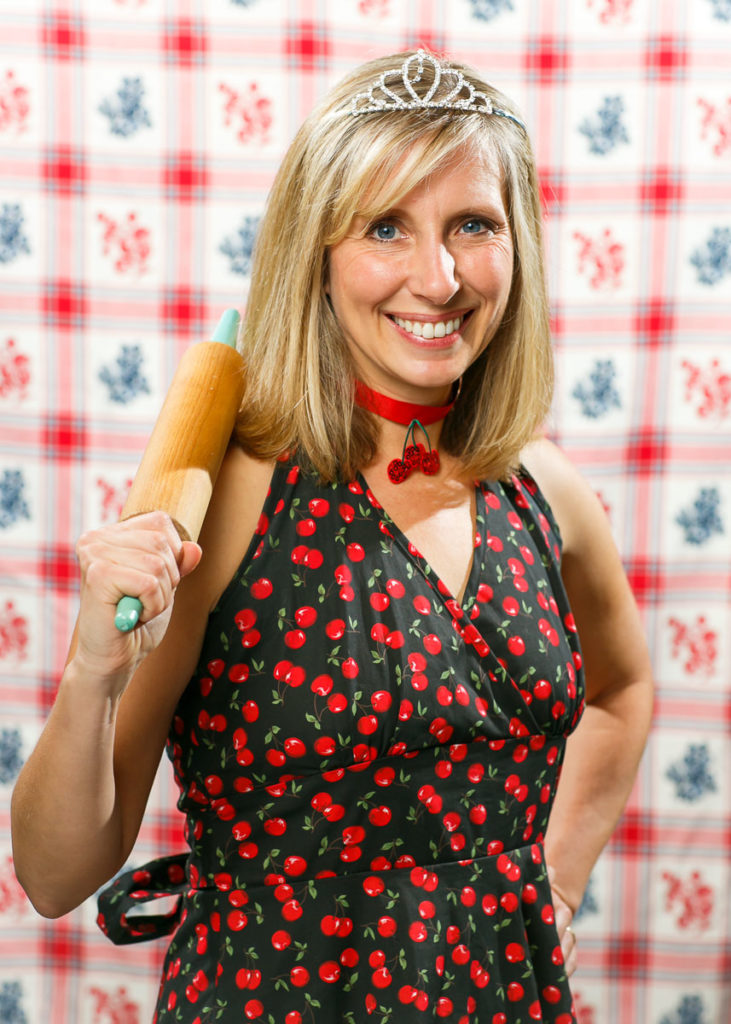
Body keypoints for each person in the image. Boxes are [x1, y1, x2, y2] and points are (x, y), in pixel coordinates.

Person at [11, 49, 653, 1024]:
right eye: (385, 226)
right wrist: (95, 669)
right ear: (314, 250)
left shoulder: (539, 487)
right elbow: (55, 874)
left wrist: (555, 881)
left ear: (517, 241)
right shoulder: (227, 497)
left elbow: (619, 688)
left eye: (472, 225)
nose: (437, 278)